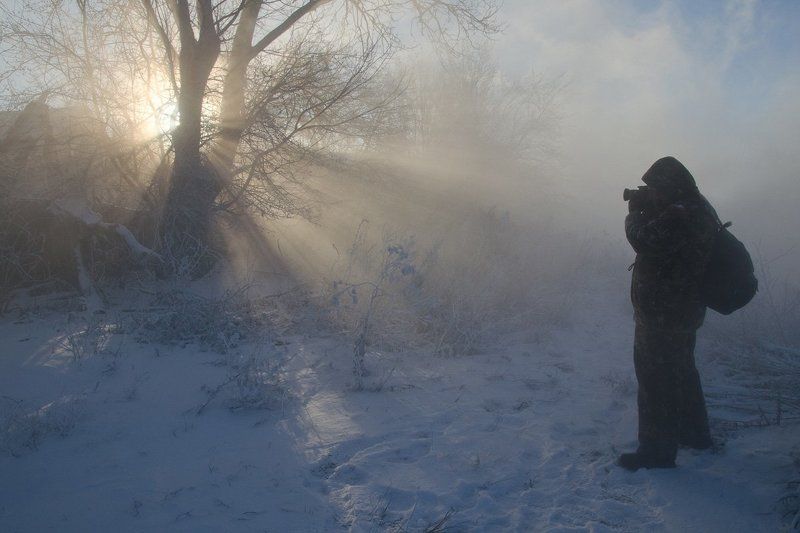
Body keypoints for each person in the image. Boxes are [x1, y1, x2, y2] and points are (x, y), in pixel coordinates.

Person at [618, 156, 719, 471]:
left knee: (655, 380)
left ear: (672, 188)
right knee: (681, 372)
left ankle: (656, 451)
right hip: (681, 311)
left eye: (656, 188)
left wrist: (634, 214)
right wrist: (653, 208)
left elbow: (644, 240)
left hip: (664, 314)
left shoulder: (681, 214)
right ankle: (695, 435)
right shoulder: (695, 207)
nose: (652, 193)